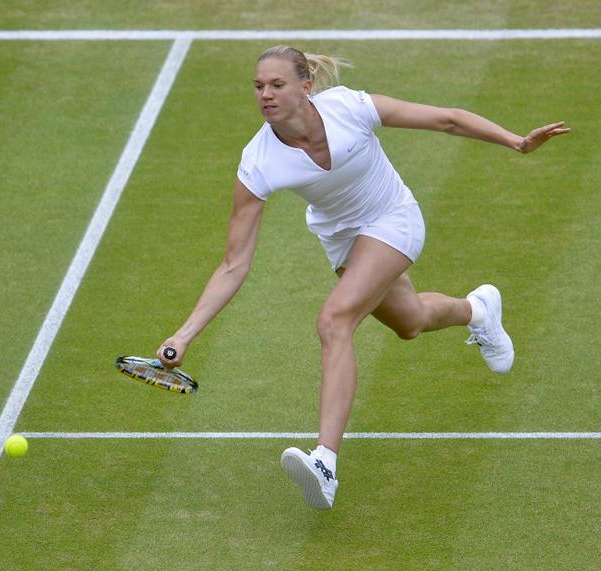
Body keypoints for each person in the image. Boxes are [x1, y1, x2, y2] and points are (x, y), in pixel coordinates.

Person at [155, 46, 569, 509]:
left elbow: (447, 120)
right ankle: (478, 311)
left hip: (393, 218)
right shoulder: (258, 161)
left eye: (277, 85)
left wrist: (516, 142)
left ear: (305, 87)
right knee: (410, 322)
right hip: (342, 239)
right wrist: (184, 334)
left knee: (334, 320)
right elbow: (234, 263)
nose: (265, 95)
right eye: (258, 86)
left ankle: (325, 462)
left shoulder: (348, 107)